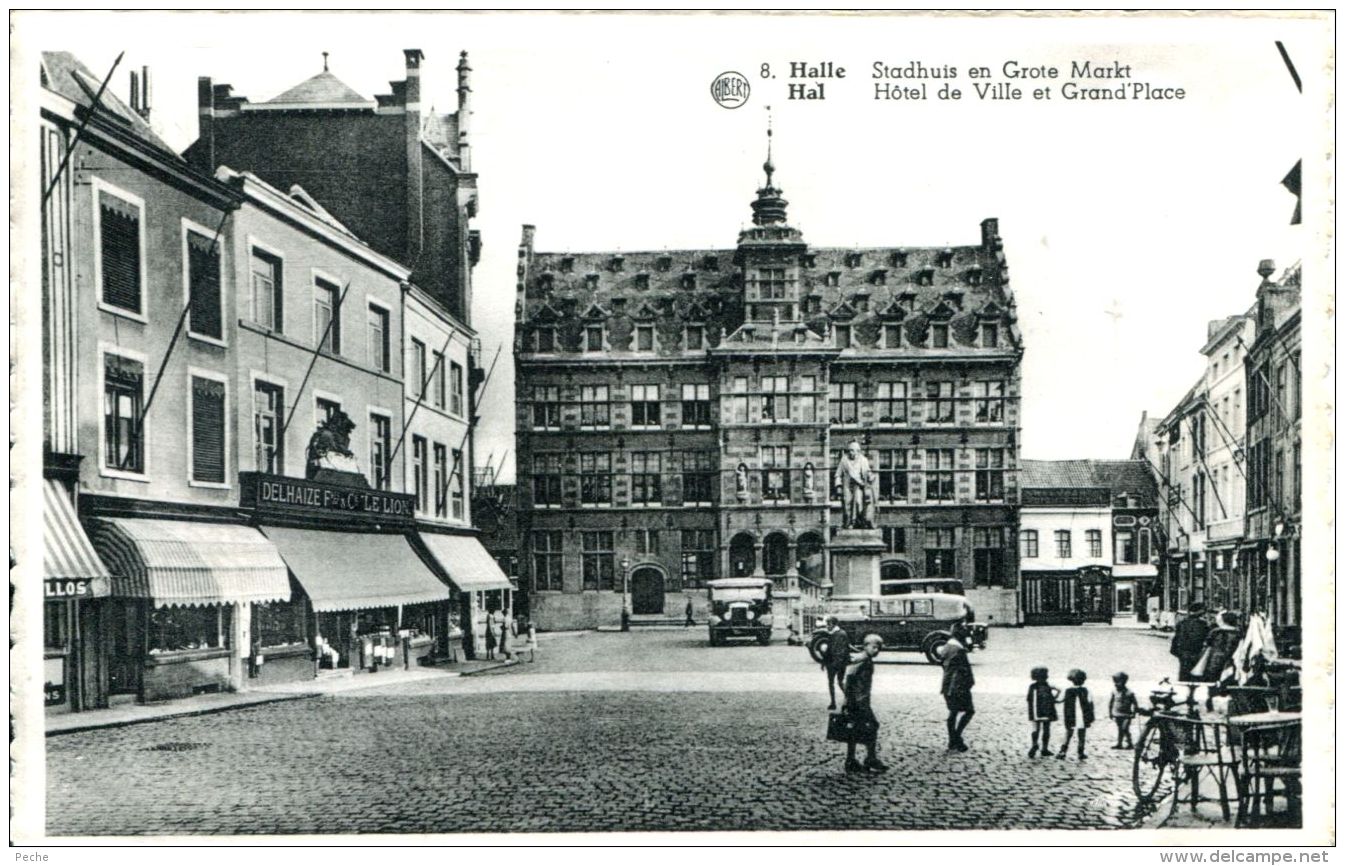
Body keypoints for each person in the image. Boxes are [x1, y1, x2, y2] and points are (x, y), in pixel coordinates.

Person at [833, 633, 888, 774]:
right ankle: (869, 758)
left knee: (854, 729)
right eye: (874, 647)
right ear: (865, 646)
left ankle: (852, 760)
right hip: (859, 703)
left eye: (879, 648)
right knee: (872, 726)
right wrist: (848, 699)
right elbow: (849, 678)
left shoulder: (865, 659)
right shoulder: (863, 660)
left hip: (858, 701)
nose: (877, 651)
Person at [940, 624, 976, 752]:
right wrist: (970, 683)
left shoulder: (946, 647)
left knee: (953, 712)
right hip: (959, 686)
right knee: (969, 711)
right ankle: (956, 737)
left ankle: (952, 740)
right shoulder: (959, 650)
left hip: (947, 685)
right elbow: (965, 670)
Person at [833, 440, 878, 529]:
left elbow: (867, 471)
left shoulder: (863, 460)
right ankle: (849, 523)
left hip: (859, 485)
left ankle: (860, 522)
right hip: (847, 484)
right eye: (850, 450)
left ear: (858, 451)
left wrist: (870, 476)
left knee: (858, 502)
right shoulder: (844, 460)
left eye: (853, 450)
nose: (851, 452)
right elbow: (838, 474)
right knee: (847, 504)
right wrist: (838, 485)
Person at [1058, 669, 1094, 760]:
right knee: (1081, 734)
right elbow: (1090, 703)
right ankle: (1080, 752)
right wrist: (1091, 716)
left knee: (1068, 733)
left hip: (1070, 716)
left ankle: (1063, 751)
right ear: (1083, 680)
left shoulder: (1068, 690)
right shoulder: (1086, 690)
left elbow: (1060, 700)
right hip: (1082, 716)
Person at [1170, 601, 1210, 682]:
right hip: (1198, 655)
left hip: (1184, 655)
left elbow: (1175, 641)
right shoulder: (1203, 625)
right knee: (1197, 677)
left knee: (1184, 677)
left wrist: (1179, 653)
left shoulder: (1182, 623)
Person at [1200, 610, 1242, 685]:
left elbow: (1206, 645)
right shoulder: (1238, 633)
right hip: (1231, 660)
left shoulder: (1215, 632)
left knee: (1212, 682)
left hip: (1214, 660)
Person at [1026, 666, 1059, 758]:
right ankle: (1044, 748)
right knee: (1046, 729)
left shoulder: (1032, 687)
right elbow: (1054, 697)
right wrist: (1056, 695)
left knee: (1035, 729)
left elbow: (1029, 699)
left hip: (1036, 711)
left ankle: (1034, 744)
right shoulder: (1047, 686)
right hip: (1047, 712)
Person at [822, 616, 851, 711]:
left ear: (834, 624)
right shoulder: (840, 633)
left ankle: (834, 702)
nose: (827, 626)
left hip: (834, 663)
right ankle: (849, 699)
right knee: (839, 681)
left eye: (829, 624)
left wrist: (828, 662)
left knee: (832, 682)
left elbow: (835, 650)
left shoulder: (836, 634)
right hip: (840, 662)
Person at [1108, 672, 1138, 750]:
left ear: (1124, 682)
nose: (1116, 684)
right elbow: (1110, 703)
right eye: (1115, 682)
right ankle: (1119, 744)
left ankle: (1130, 743)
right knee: (1120, 729)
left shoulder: (1130, 692)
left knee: (1125, 728)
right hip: (1117, 714)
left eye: (1118, 682)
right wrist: (1110, 713)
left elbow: (1135, 704)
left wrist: (1134, 713)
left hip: (1127, 714)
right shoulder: (1114, 691)